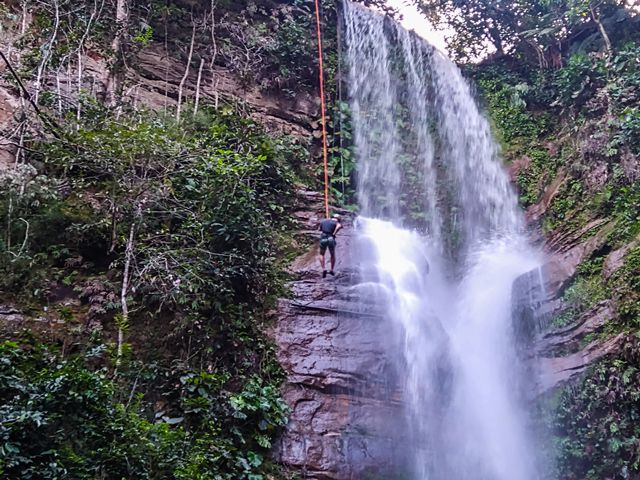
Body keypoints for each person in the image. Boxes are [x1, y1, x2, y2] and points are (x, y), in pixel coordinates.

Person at [318, 213, 342, 278]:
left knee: (321, 254)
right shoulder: (336, 222)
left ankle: (323, 269)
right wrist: (334, 233)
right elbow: (339, 226)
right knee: (332, 255)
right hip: (331, 239)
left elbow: (319, 229)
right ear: (338, 219)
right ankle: (331, 270)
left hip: (323, 238)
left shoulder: (323, 221)